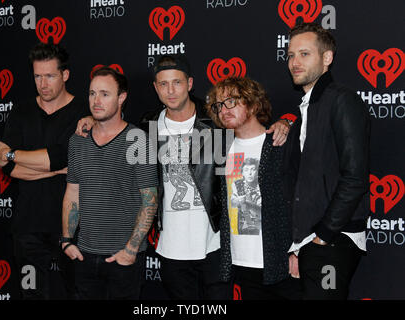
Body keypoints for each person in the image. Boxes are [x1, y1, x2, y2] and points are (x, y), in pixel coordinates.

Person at [76, 54, 289, 300]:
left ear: (189, 84)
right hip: (170, 249)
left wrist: (284, 124)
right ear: (155, 88)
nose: (170, 90)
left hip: (215, 246)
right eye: (163, 84)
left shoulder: (215, 122)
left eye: (176, 82)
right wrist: (94, 118)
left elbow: (251, 129)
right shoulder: (147, 126)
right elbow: (115, 124)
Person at [0, 42, 90, 299]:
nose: (43, 84)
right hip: (28, 227)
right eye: (37, 76)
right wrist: (57, 169)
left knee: (78, 293)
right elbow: (10, 169)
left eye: (49, 76)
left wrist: (15, 155)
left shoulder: (83, 112)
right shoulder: (22, 111)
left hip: (73, 226)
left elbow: (61, 157)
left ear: (65, 75)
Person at [285, 22, 370, 300]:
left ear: (327, 58)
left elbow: (355, 177)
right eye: (290, 55)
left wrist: (324, 236)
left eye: (304, 54)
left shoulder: (342, 100)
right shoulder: (306, 109)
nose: (295, 62)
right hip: (312, 242)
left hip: (333, 241)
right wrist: (299, 245)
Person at [61, 66, 159, 300]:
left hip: (122, 259)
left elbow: (150, 199)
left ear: (121, 97)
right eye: (92, 93)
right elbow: (72, 192)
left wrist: (131, 250)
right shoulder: (78, 140)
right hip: (84, 255)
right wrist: (66, 240)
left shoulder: (137, 139)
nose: (96, 100)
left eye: (105, 94)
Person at [206, 76, 302, 300]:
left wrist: (298, 249)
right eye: (219, 105)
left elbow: (302, 198)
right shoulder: (221, 148)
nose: (224, 109)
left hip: (281, 261)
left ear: (253, 103)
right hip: (241, 262)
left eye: (232, 101)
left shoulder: (279, 144)